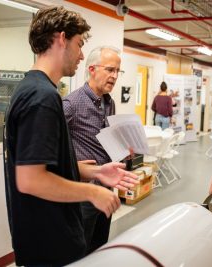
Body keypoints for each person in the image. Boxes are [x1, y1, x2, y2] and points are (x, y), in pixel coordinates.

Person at [3, 7, 137, 266]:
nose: (82, 55)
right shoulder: (42, 98)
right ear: (62, 39)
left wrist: (95, 173)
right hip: (48, 240)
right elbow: (31, 180)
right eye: (79, 44)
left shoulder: (32, 89)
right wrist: (91, 192)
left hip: (44, 235)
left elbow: (44, 165)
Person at [62, 46, 123, 254]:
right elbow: (53, 143)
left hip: (106, 189)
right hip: (84, 195)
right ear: (92, 69)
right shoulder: (71, 103)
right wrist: (73, 164)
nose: (114, 76)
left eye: (117, 71)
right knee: (79, 251)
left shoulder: (109, 102)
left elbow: (105, 140)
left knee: (99, 247)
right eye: (110, 70)